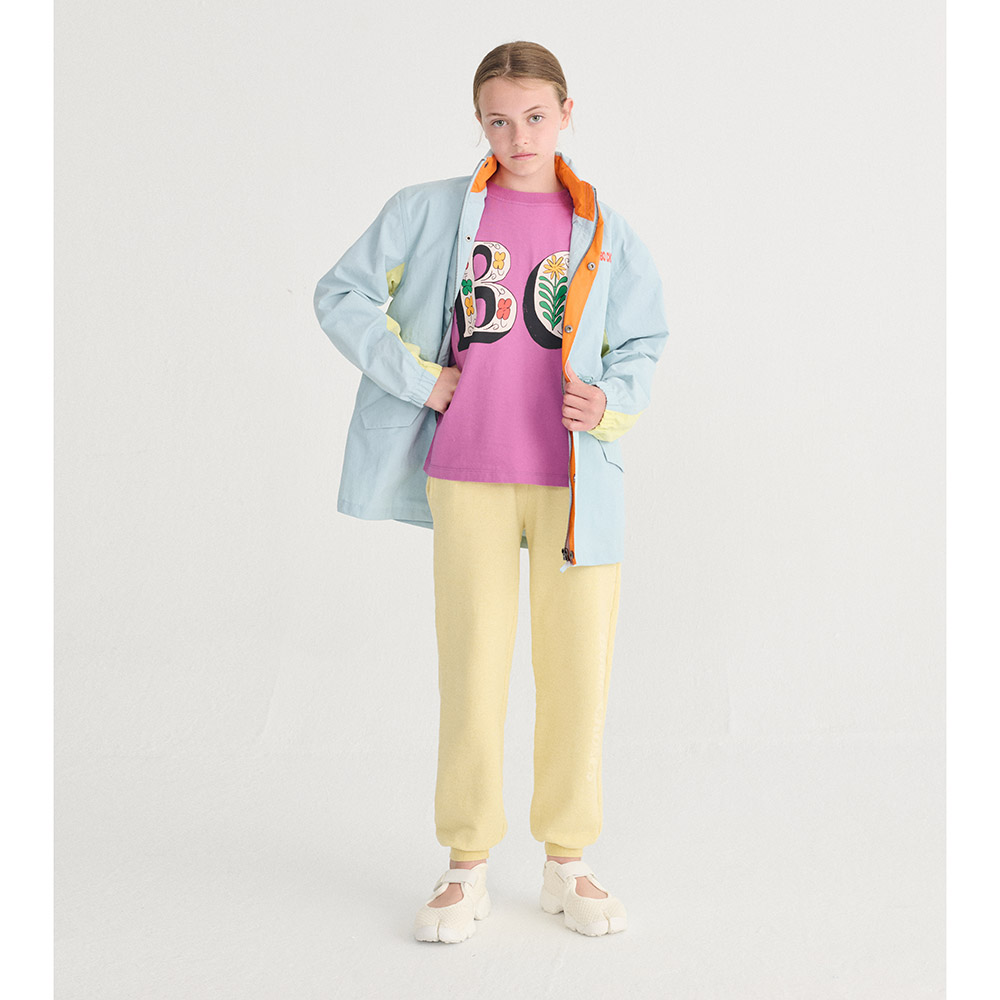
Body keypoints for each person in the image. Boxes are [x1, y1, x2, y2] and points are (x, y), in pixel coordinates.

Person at [313, 40, 670, 942]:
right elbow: (341, 294)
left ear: (567, 112)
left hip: (573, 486)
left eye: (536, 116)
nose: (518, 137)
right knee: (472, 669)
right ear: (480, 122)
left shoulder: (604, 229)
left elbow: (644, 341)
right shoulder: (427, 211)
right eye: (498, 121)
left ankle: (567, 863)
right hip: (468, 474)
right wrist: (419, 377)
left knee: (577, 674)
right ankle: (465, 864)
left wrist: (609, 402)